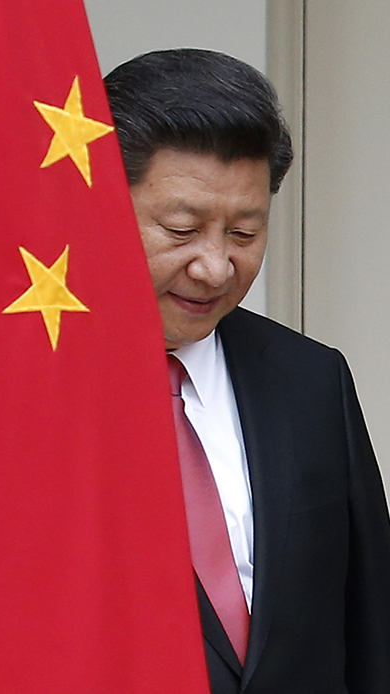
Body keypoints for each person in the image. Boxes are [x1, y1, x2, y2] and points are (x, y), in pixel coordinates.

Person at [105, 48, 390, 693]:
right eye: (181, 229)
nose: (215, 266)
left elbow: (369, 627)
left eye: (243, 233)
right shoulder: (22, 391)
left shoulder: (312, 381)